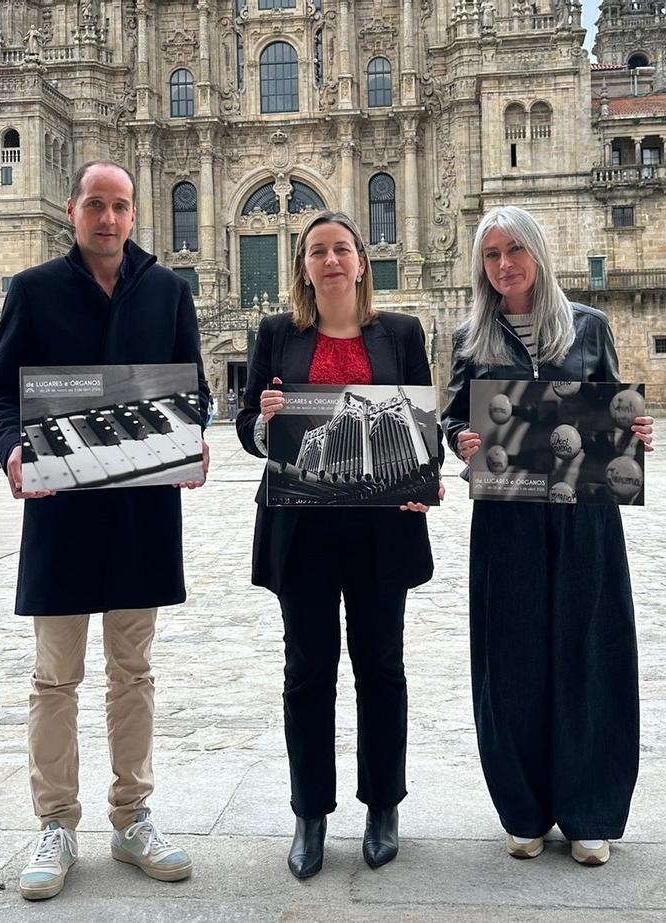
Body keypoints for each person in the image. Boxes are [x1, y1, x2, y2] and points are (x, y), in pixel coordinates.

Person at [0, 160, 209, 902]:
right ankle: (56, 821)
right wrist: (12, 445)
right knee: (54, 676)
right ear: (73, 211)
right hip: (61, 511)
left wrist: (192, 436)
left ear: (133, 214)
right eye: (96, 206)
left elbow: (194, 391)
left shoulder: (170, 292)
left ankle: (132, 813)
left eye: (120, 207)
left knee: (133, 671)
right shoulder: (34, 290)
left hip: (140, 511)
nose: (108, 219)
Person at [441, 205, 654, 867]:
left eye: (514, 250)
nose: (504, 265)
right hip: (506, 517)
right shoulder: (469, 338)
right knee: (511, 659)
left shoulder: (589, 327)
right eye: (492, 254)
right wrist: (463, 440)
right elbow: (453, 420)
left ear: (537, 252)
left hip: (583, 514)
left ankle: (590, 808)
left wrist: (637, 432)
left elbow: (617, 407)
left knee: (589, 650)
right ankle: (525, 807)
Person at [235, 211, 439, 879]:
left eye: (340, 249)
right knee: (307, 674)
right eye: (317, 250)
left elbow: (420, 429)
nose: (330, 260)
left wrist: (425, 480)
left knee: (382, 669)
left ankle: (384, 805)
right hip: (305, 532)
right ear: (303, 266)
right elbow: (246, 425)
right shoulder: (276, 335)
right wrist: (264, 426)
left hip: (381, 528)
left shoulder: (401, 334)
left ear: (360, 263)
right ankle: (309, 813)